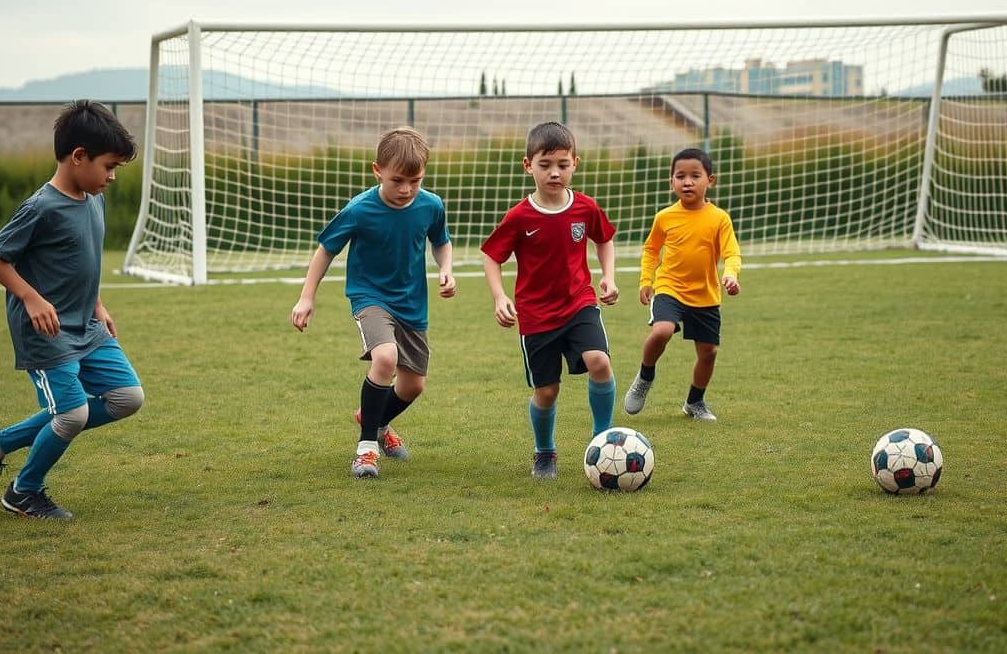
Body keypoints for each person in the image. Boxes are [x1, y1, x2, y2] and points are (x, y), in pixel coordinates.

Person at [0, 100, 143, 520]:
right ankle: (23, 492)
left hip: (86, 325)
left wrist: (97, 304)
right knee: (73, 413)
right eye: (109, 166)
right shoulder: (41, 207)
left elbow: (85, 262)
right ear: (78, 156)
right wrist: (30, 296)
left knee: (126, 397)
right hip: (47, 331)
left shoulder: (93, 198)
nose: (112, 177)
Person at [291, 127, 455, 479]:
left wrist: (446, 269)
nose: (406, 189)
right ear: (377, 170)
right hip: (370, 297)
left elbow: (441, 241)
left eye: (415, 180)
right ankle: (366, 450)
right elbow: (326, 251)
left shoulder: (431, 205)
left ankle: (375, 420)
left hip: (412, 303)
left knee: (413, 385)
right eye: (398, 180)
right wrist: (307, 297)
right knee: (385, 357)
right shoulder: (360, 209)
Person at [481, 122, 619, 479]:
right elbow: (492, 256)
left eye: (562, 164)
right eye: (545, 165)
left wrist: (607, 276)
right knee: (547, 390)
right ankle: (544, 452)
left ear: (575, 162)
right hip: (537, 315)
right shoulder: (519, 216)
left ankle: (601, 440)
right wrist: (499, 297)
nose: (554, 172)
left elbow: (604, 239)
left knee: (599, 361)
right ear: (528, 165)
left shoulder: (585, 207)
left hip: (579, 303)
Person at [622, 148, 741, 422]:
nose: (687, 182)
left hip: (705, 295)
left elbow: (731, 252)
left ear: (710, 180)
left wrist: (732, 275)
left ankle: (694, 402)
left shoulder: (719, 218)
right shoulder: (665, 217)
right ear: (671, 182)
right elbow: (651, 249)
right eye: (680, 176)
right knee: (662, 331)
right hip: (669, 288)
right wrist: (646, 279)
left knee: (708, 353)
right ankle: (645, 376)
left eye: (695, 176)